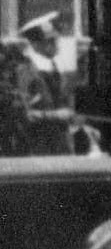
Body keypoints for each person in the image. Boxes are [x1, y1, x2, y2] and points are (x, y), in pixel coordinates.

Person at [11, 11, 84, 155]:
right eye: (50, 41)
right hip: (37, 149)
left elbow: (59, 106)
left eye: (55, 40)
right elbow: (25, 114)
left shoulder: (53, 69)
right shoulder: (26, 72)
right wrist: (57, 115)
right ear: (36, 45)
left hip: (58, 146)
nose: (56, 45)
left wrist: (78, 123)